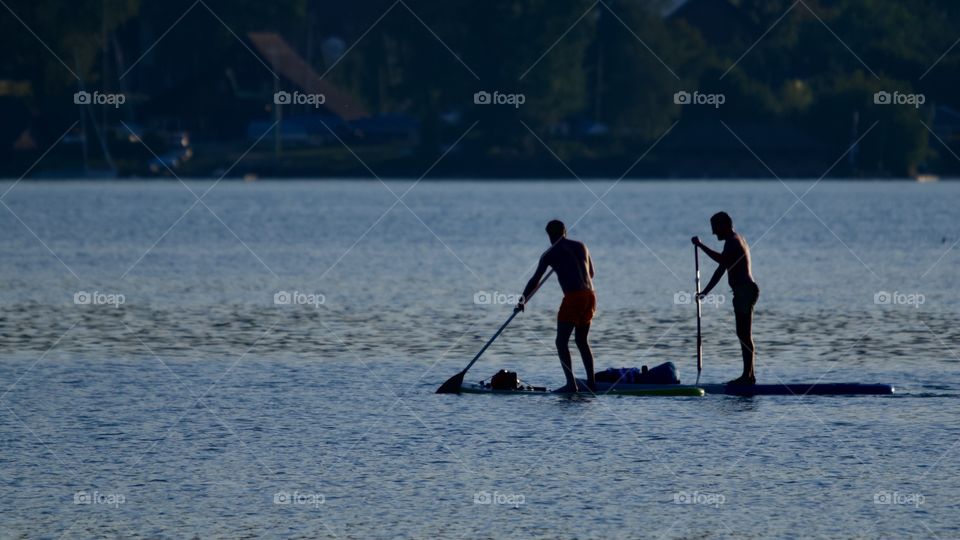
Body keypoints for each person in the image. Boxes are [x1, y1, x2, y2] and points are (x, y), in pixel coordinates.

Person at [516, 220, 596, 393]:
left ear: (549, 235)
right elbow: (591, 273)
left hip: (574, 298)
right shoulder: (582, 246)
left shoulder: (550, 254)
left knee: (561, 342)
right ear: (565, 231)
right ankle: (592, 383)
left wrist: (522, 301)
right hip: (590, 296)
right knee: (582, 340)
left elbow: (535, 280)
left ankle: (571, 385)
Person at [692, 211, 759, 385]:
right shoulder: (732, 242)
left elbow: (721, 259)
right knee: (743, 334)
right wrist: (704, 292)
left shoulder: (734, 242)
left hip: (745, 291)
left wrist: (701, 245)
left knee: (744, 334)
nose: (714, 233)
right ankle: (749, 376)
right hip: (743, 291)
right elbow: (720, 269)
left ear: (725, 225)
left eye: (715, 228)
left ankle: (747, 377)